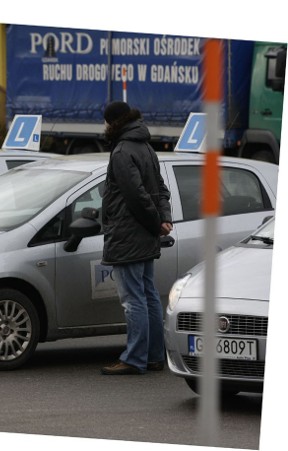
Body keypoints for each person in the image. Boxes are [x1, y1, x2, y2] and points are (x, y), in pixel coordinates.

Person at [99, 101, 174, 375]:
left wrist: (156, 223)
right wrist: (163, 219)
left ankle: (134, 358)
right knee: (149, 295)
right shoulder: (146, 147)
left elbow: (136, 196)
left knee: (133, 299)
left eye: (105, 121)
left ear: (114, 122)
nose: (104, 126)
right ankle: (154, 355)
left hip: (128, 234)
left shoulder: (121, 151)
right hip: (144, 234)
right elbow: (160, 189)